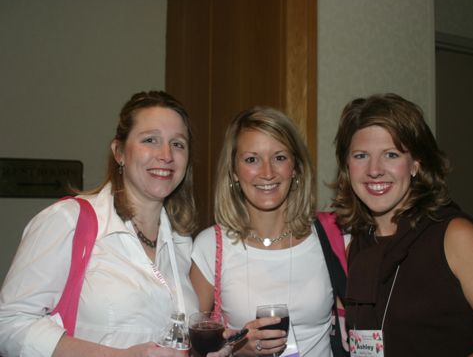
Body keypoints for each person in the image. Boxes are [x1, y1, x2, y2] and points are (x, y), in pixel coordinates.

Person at [0, 91, 202, 356]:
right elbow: (9, 325)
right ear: (119, 152)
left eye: (178, 144)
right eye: (150, 140)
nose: (166, 155)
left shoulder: (180, 241)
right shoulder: (68, 221)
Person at [332, 93, 473, 356]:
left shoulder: (455, 236)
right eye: (360, 156)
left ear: (415, 164)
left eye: (391, 154)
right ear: (347, 166)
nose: (374, 170)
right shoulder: (356, 244)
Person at [191, 107, 348, 357]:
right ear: (233, 171)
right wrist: (237, 350)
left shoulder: (331, 236)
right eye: (251, 159)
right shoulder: (211, 246)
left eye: (279, 157)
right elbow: (189, 349)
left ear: (295, 167)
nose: (267, 173)